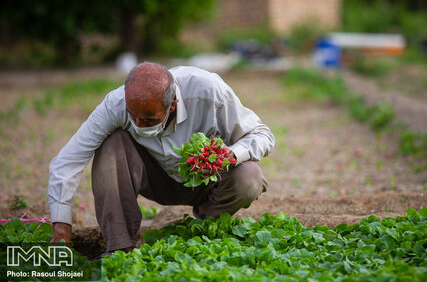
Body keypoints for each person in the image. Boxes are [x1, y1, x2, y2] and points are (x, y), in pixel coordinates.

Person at [48, 62, 275, 256]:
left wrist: (230, 156)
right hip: (153, 177)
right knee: (111, 144)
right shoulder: (115, 105)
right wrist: (61, 223)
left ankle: (208, 225)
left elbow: (263, 135)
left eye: (148, 120)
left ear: (172, 105)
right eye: (132, 116)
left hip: (206, 181)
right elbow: (68, 160)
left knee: (250, 176)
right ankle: (119, 248)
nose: (138, 124)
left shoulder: (208, 91)